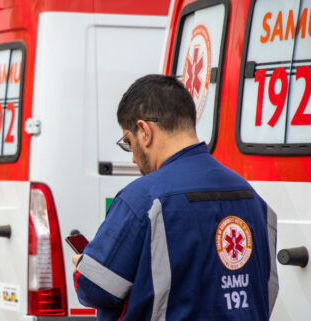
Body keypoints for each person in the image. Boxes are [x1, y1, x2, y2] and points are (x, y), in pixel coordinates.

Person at [71, 75, 278, 320]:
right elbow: (267, 289)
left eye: (128, 142)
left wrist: (82, 266)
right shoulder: (253, 199)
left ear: (145, 131)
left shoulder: (141, 199)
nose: (133, 158)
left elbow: (95, 288)